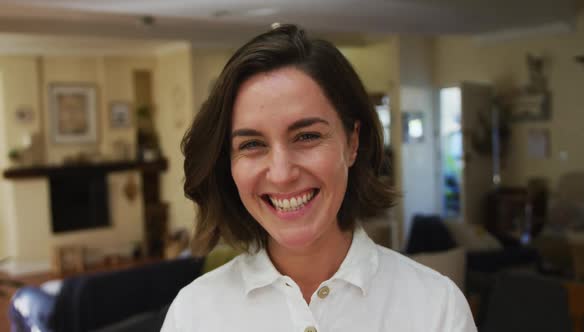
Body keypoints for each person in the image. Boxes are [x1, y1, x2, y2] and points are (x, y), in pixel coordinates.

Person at [161, 24, 476, 332]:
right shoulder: (193, 314)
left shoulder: (436, 308)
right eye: (252, 144)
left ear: (352, 143)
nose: (282, 174)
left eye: (307, 136)